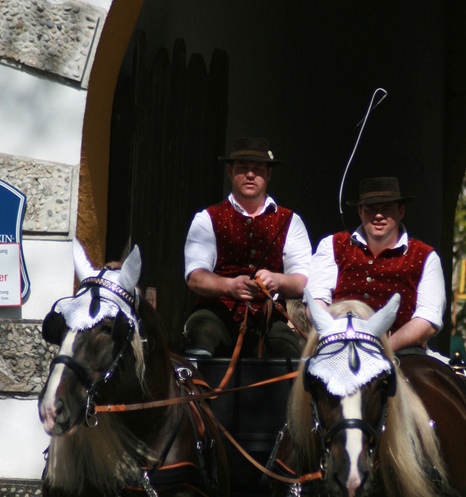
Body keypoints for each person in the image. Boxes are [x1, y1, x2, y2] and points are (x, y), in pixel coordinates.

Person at [183, 136, 312, 359]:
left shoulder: (291, 221)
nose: (250, 174)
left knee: (290, 353)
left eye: (258, 169)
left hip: (268, 318)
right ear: (230, 172)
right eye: (243, 168)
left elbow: (303, 280)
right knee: (199, 334)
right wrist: (229, 286)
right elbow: (195, 277)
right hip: (218, 313)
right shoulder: (207, 218)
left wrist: (278, 280)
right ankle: (196, 394)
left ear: (269, 174)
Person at [306, 176, 446, 352]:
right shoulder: (332, 245)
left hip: (400, 352)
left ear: (401, 211)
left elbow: (427, 320)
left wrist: (383, 349)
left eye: (387, 208)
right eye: (371, 209)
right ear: (360, 212)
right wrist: (336, 337)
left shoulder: (426, 256)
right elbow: (316, 301)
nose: (379, 215)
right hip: (338, 346)